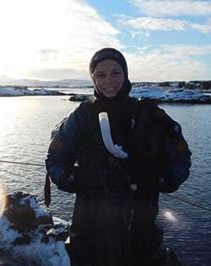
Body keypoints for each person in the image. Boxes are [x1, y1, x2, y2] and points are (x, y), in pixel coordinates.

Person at [46, 48, 191, 266]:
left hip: (140, 233)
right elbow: (54, 161)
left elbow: (181, 161)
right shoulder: (81, 117)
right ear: (93, 79)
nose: (109, 81)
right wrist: (81, 177)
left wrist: (155, 178)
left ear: (125, 74)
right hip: (88, 232)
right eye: (100, 75)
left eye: (116, 72)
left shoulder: (150, 115)